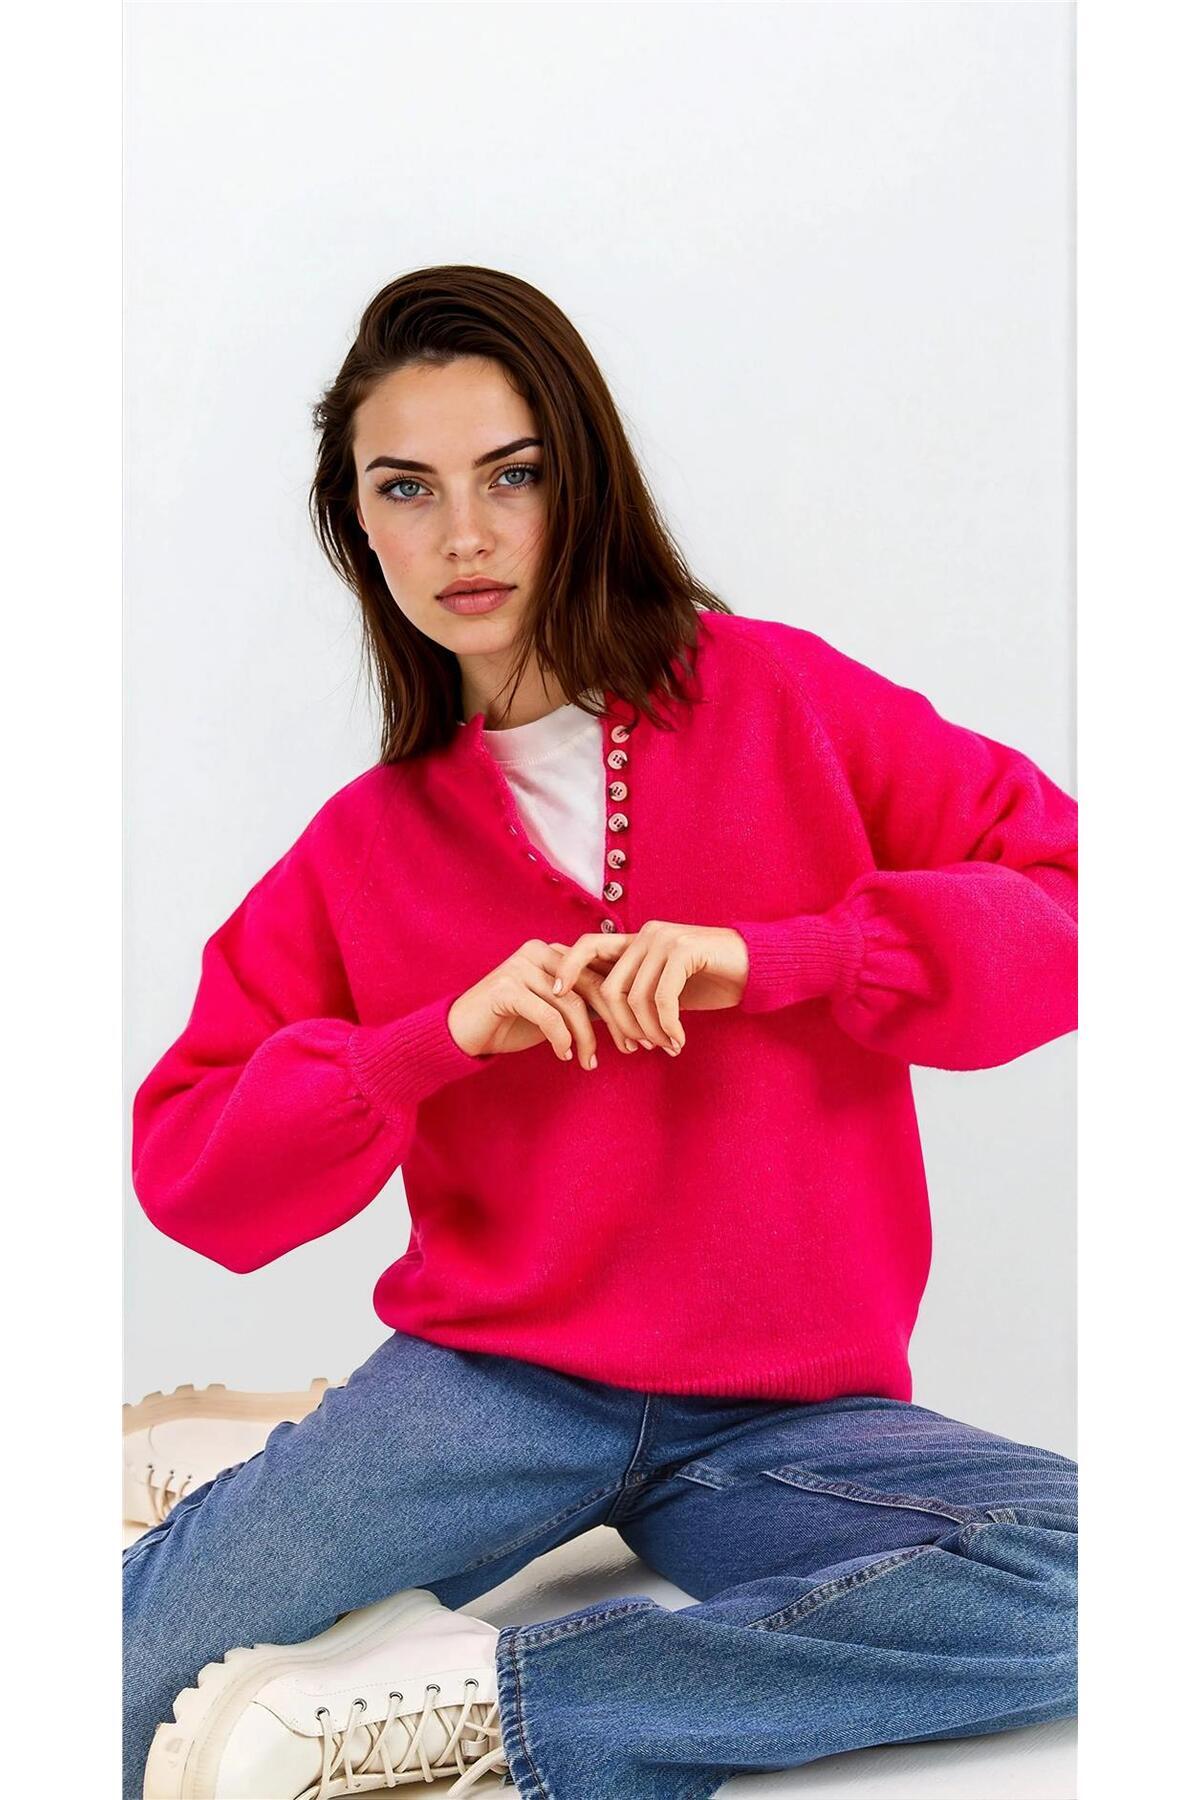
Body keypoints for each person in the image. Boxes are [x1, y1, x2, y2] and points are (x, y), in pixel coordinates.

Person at [124, 265, 1078, 1800]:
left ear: (585, 480)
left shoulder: (783, 700)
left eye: (512, 474)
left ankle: (504, 1704)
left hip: (789, 1415)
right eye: (407, 488)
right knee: (108, 1691)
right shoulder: (362, 847)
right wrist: (429, 1040)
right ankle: (295, 1467)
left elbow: (1078, 897)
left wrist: (785, 957)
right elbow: (190, 1169)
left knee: (1101, 1578)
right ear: (358, 525)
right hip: (493, 1393)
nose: (466, 534)